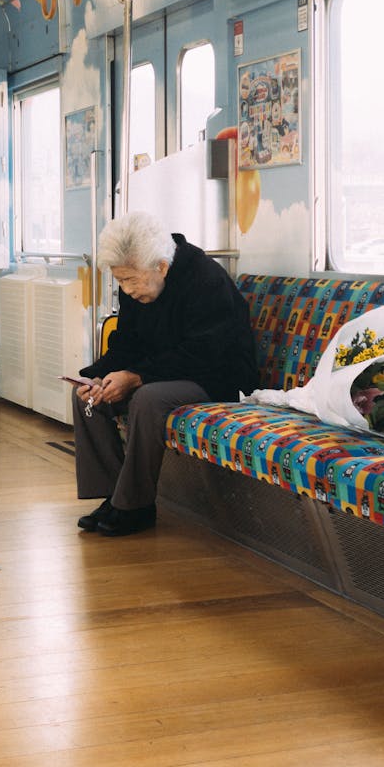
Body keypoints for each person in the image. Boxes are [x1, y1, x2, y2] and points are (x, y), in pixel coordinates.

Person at [72, 211, 258, 537]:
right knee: (89, 397)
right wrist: (96, 375)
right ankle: (115, 497)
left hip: (217, 378)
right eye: (120, 281)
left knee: (148, 398)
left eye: (130, 280)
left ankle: (136, 507)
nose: (126, 291)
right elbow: (127, 344)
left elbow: (204, 354)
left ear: (161, 266)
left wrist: (136, 376)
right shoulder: (141, 283)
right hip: (164, 371)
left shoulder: (205, 280)